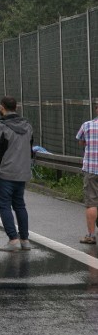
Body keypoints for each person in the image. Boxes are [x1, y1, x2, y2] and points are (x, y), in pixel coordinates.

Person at [0, 96, 34, 251]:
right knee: (20, 205)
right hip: (22, 172)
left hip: (4, 174)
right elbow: (30, 148)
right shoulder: (27, 125)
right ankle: (25, 240)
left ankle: (13, 240)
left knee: (4, 206)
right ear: (17, 107)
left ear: (1, 107)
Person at [75, 101, 98, 245]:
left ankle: (90, 235)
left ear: (96, 110)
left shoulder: (87, 125)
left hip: (91, 169)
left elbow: (81, 142)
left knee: (92, 203)